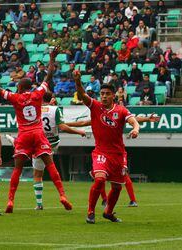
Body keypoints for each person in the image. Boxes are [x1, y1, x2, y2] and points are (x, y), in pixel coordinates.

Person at [0, 46, 73, 213]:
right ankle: (62, 195)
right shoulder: (37, 94)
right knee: (50, 165)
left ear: (19, 88)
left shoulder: (15, 97)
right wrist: (52, 58)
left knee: (18, 169)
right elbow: (48, 76)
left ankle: (11, 201)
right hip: (38, 133)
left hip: (24, 134)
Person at [74, 70, 140, 224]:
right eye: (102, 93)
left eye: (107, 94)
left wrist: (135, 129)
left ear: (113, 96)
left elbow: (134, 121)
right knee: (100, 179)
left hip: (118, 154)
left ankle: (108, 212)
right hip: (101, 152)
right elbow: (83, 96)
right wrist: (78, 82)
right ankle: (90, 212)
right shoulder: (95, 106)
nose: (104, 96)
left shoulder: (121, 110)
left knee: (117, 188)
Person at [6, 92, 86, 209]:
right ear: (51, 99)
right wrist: (79, 132)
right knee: (50, 165)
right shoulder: (55, 110)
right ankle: (62, 195)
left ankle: (38, 204)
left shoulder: (35, 108)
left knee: (37, 174)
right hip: (52, 143)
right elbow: (62, 127)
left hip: (37, 141)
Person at [66, 114, 160, 208]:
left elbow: (132, 120)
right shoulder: (99, 116)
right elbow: (83, 122)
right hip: (103, 152)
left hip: (117, 152)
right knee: (99, 177)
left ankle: (131, 200)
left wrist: (147, 119)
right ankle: (104, 201)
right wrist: (64, 124)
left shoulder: (117, 115)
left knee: (123, 175)